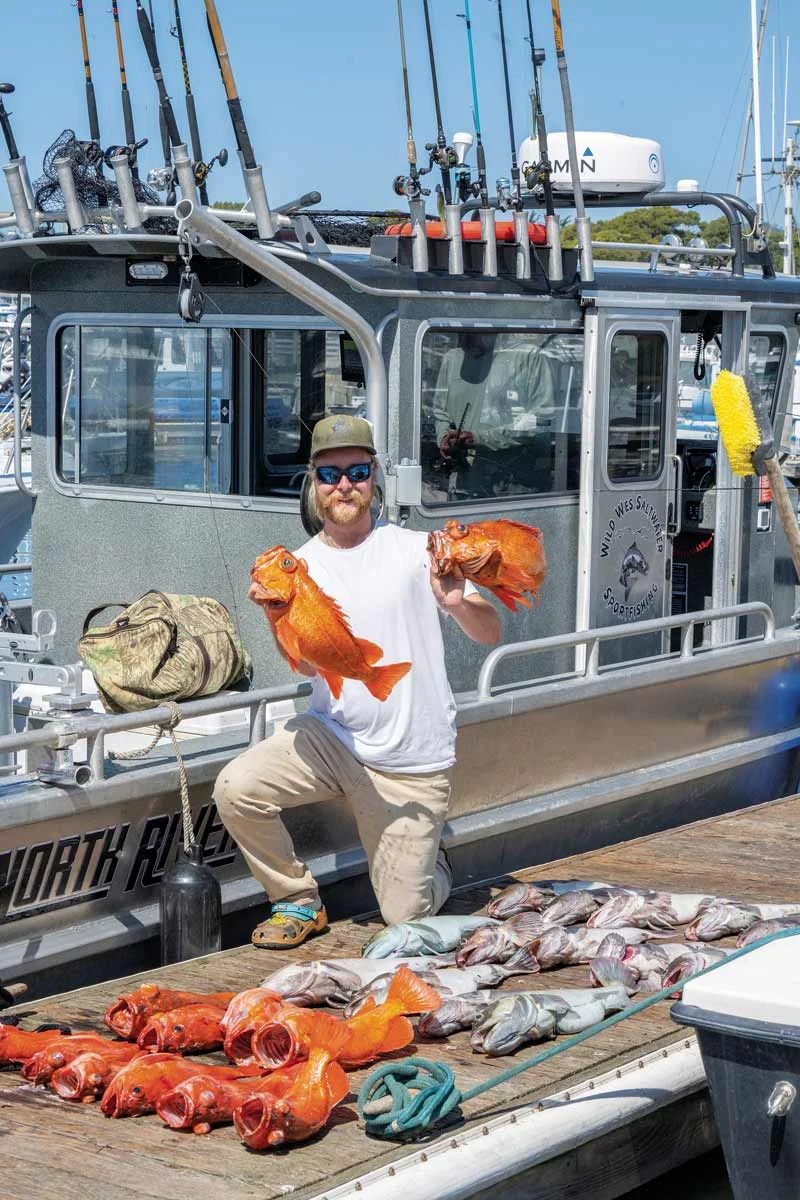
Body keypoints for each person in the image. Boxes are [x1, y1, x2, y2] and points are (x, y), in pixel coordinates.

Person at [213, 413, 501, 948]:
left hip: (410, 760)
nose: (343, 485)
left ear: (374, 478)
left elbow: (489, 632)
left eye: (357, 471)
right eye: (329, 474)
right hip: (333, 738)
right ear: (313, 483)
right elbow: (304, 665)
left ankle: (431, 858)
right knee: (236, 788)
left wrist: (459, 603)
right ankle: (297, 900)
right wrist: (275, 615)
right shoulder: (299, 567)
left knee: (404, 918)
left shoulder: (421, 549)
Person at [428, 330, 558, 497]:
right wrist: (445, 439)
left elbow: (541, 420)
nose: (467, 338)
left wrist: (480, 438)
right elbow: (440, 412)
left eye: (474, 332)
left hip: (512, 484)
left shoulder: (528, 357)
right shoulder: (452, 360)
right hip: (464, 483)